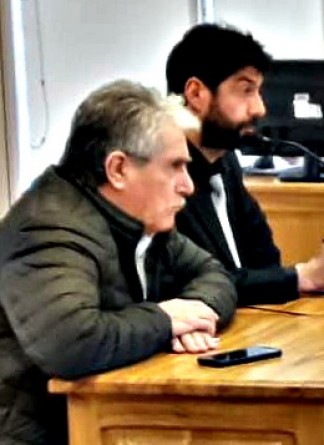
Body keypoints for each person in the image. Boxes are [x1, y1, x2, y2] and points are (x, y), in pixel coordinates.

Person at [0, 80, 237, 445]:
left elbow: (213, 273)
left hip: (103, 422)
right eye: (174, 166)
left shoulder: (140, 222)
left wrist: (194, 312)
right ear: (118, 169)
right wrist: (164, 321)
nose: (188, 186)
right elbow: (71, 343)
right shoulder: (47, 228)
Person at [166, 23, 324, 306]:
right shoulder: (163, 176)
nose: (260, 108)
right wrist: (306, 275)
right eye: (245, 90)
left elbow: (265, 261)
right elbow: (191, 285)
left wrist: (303, 274)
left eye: (258, 91)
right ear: (196, 94)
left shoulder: (226, 161)